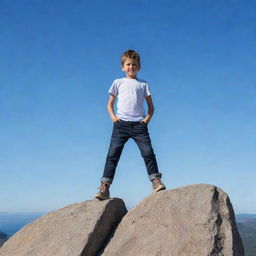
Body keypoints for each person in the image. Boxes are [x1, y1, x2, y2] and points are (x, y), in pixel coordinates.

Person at [95, 50, 166, 200]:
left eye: (134, 64)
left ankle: (155, 180)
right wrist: (114, 118)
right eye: (128, 64)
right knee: (112, 155)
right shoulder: (118, 82)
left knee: (148, 153)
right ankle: (104, 187)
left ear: (139, 67)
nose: (131, 67)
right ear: (122, 67)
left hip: (139, 126)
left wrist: (146, 120)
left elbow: (151, 107)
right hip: (120, 125)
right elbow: (109, 104)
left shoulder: (143, 84)